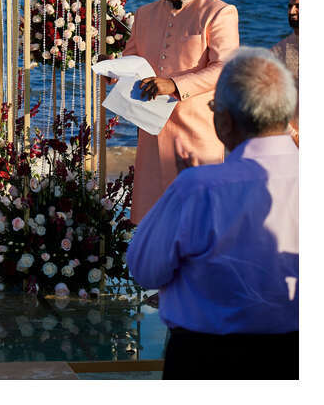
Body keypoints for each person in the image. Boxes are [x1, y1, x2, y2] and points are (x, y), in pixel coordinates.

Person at [126, 47, 298, 379]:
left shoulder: (199, 189)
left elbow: (144, 270)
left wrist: (186, 195)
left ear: (225, 121)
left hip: (206, 358)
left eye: (212, 107)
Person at [119, 0, 239, 223]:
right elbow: (132, 61)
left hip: (196, 137)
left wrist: (173, 84)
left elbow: (225, 69)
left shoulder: (219, 12)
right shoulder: (144, 14)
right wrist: (111, 67)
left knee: (198, 223)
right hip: (150, 137)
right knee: (152, 224)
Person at [271, 0, 298, 144]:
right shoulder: (277, 51)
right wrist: (292, 134)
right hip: (289, 139)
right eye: (290, 6)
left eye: (298, 6)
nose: (292, 11)